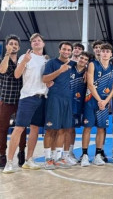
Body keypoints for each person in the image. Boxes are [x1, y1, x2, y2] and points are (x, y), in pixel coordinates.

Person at [3, 33, 48, 173]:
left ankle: (29, 160)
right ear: (31, 44)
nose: (36, 42)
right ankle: (9, 162)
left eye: (38, 40)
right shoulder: (25, 57)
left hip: (42, 98)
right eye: (33, 41)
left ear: (43, 43)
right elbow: (16, 75)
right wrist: (24, 61)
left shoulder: (47, 60)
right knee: (19, 128)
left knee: (35, 129)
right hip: (28, 97)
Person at [81, 43, 113, 166]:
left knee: (102, 128)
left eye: (108, 51)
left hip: (104, 103)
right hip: (91, 100)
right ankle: (84, 155)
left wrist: (105, 101)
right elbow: (90, 84)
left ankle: (97, 155)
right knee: (88, 128)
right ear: (99, 52)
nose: (105, 53)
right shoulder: (92, 64)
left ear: (111, 54)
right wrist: (99, 100)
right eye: (103, 51)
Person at [42, 41, 75, 170]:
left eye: (68, 50)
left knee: (63, 129)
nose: (66, 52)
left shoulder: (73, 65)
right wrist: (60, 71)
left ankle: (57, 158)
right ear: (59, 50)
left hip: (67, 100)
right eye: (64, 49)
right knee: (51, 129)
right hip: (54, 98)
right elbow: (44, 79)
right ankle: (47, 159)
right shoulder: (51, 63)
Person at [0, 35, 26, 168]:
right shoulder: (3, 60)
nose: (13, 46)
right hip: (6, 100)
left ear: (19, 47)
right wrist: (7, 55)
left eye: (16, 44)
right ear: (6, 46)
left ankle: (21, 152)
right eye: (11, 43)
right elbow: (2, 70)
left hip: (21, 100)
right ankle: (2, 155)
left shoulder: (22, 61)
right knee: (2, 129)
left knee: (21, 128)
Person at [64, 51, 90, 165]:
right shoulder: (69, 68)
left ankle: (70, 152)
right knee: (65, 129)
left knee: (72, 129)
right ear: (77, 58)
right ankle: (62, 154)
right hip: (66, 103)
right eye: (81, 58)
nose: (83, 61)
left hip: (78, 104)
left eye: (85, 59)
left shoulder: (87, 73)